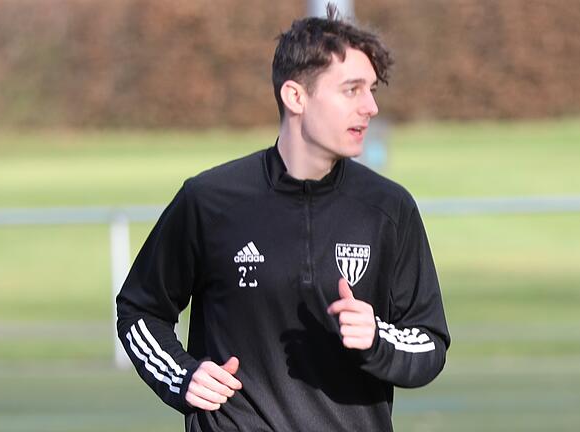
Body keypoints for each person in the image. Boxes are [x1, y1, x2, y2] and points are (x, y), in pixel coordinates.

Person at [116, 5, 450, 431]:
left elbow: (429, 344)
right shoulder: (210, 201)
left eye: (372, 90)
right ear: (296, 96)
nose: (371, 107)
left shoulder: (388, 209)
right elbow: (140, 309)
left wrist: (377, 338)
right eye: (352, 90)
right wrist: (181, 375)